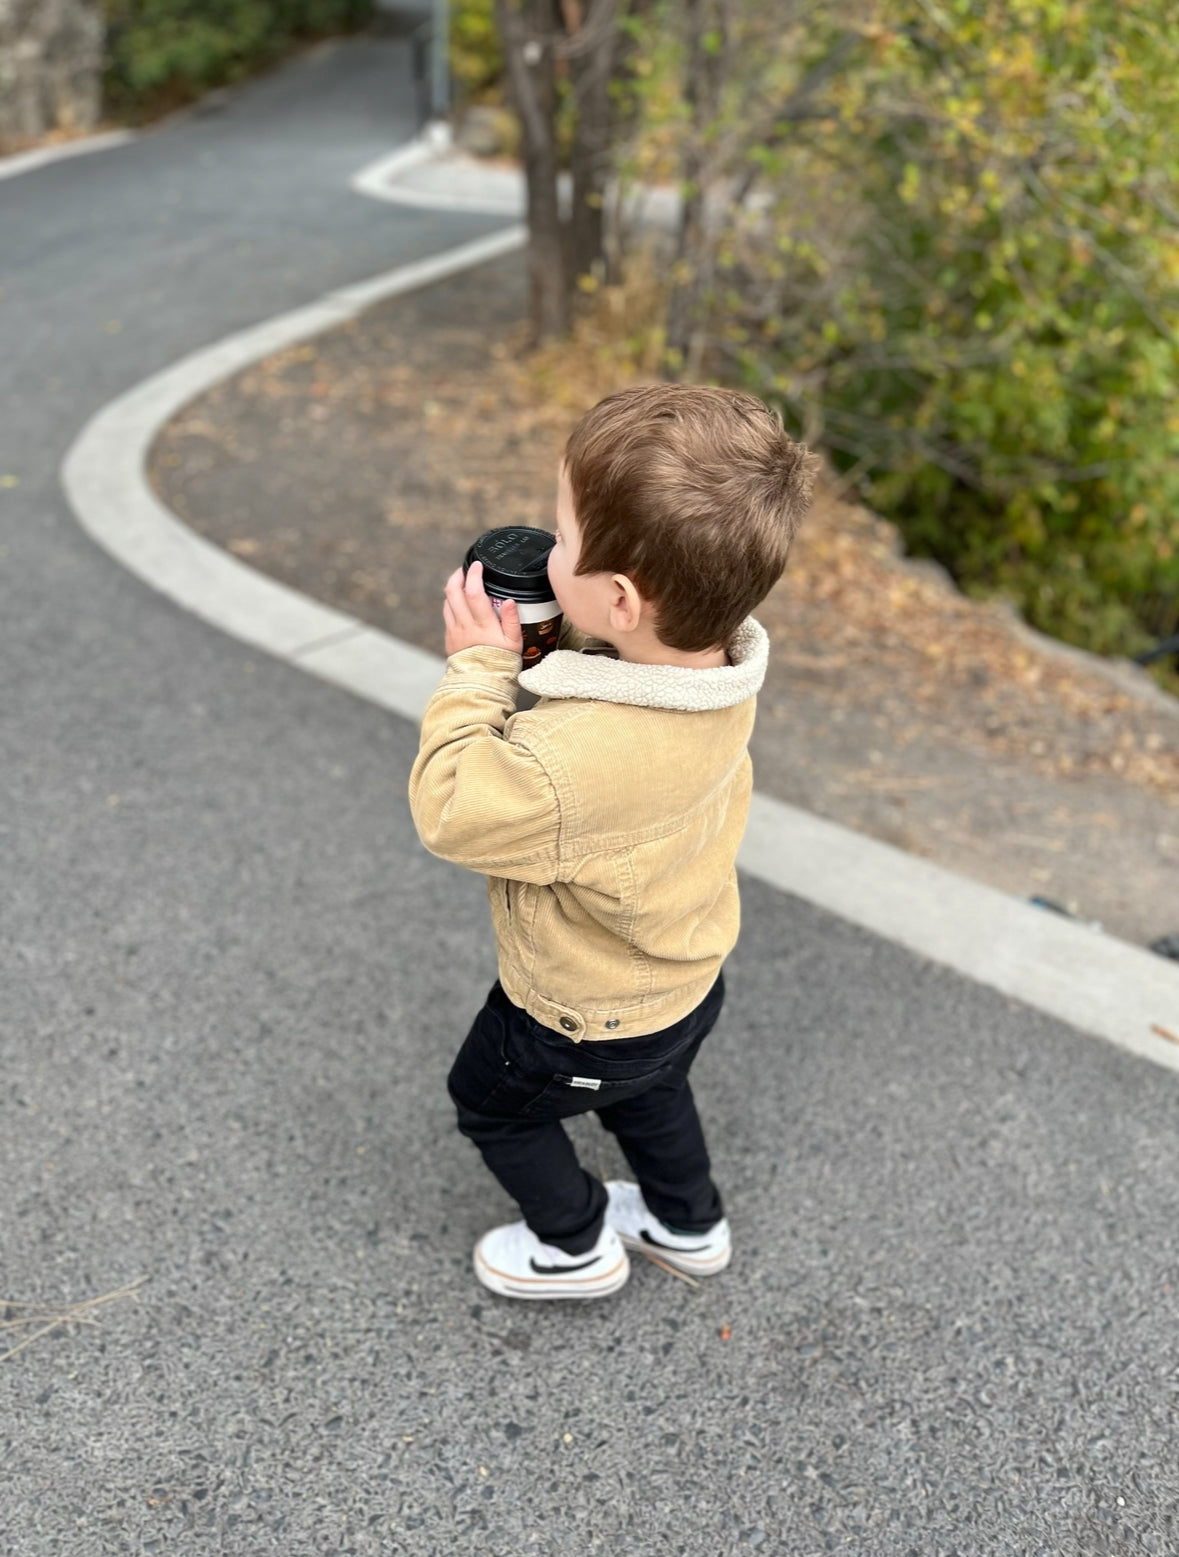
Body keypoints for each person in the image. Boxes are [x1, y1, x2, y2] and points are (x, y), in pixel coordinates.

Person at [408, 383, 818, 1300]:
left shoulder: (568, 761)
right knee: (652, 1085)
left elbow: (451, 806)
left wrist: (478, 669)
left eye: (561, 541)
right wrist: (560, 647)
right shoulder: (718, 669)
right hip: (681, 982)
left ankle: (574, 1244)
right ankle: (687, 1220)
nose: (543, 550)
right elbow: (624, 711)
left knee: (491, 1104)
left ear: (623, 599)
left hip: (576, 1018)